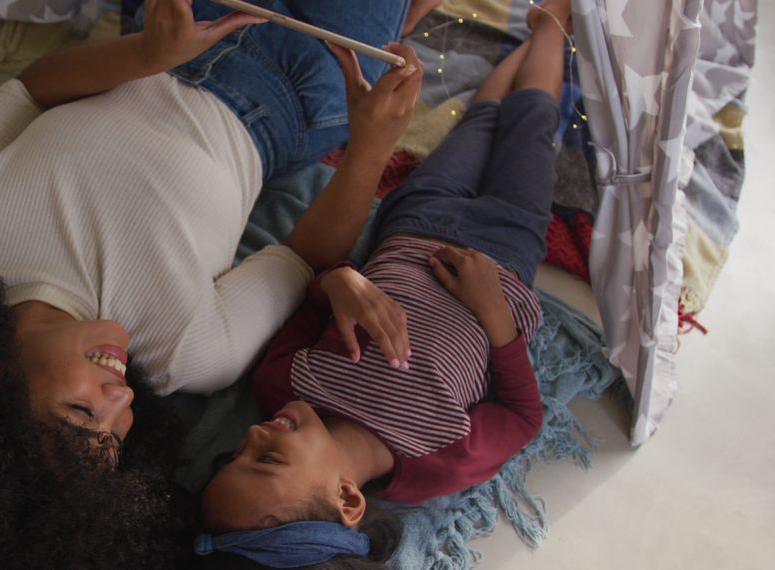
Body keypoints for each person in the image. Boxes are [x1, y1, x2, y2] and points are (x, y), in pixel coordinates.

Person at [0, 0, 429, 567]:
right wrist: (371, 148)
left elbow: (30, 91)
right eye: (116, 437)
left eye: (83, 415)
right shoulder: (183, 352)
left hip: (170, 31)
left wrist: (148, 53)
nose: (120, 401)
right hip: (299, 89)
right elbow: (303, 256)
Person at [197, 1, 574, 567]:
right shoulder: (432, 461)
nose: (252, 437)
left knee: (479, 120)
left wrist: (340, 281)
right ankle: (554, 25)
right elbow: (523, 418)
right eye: (267, 460)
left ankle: (531, 37)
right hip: (506, 250)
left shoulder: (282, 385)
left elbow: (310, 290)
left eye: (234, 454)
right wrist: (495, 318)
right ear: (347, 498)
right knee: (531, 126)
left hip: (414, 220)